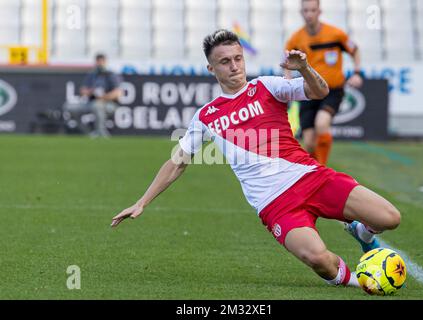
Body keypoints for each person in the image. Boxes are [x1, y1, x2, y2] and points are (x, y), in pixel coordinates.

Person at [111, 29, 401, 288]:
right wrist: (141, 202)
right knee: (318, 259)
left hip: (311, 177)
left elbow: (319, 91)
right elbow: (177, 161)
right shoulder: (206, 116)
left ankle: (362, 232)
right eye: (225, 61)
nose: (235, 66)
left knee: (391, 218)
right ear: (211, 68)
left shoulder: (267, 87)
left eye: (238, 58)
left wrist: (305, 68)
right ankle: (360, 283)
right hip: (275, 204)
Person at [284, 0, 363, 165]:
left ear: (319, 11)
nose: (309, 14)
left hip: (332, 90)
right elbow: (286, 61)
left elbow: (355, 50)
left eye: (313, 10)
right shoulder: (296, 39)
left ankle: (322, 169)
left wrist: (356, 73)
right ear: (301, 12)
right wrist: (288, 79)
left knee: (322, 123)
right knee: (309, 143)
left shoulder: (336, 34)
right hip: (308, 91)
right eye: (306, 11)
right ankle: (315, 173)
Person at [65, 53, 122, 137]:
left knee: (97, 106)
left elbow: (118, 93)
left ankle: (101, 134)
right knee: (69, 107)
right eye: (98, 61)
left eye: (102, 61)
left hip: (109, 104)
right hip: (91, 102)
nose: (100, 63)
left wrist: (103, 97)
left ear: (105, 62)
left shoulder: (111, 75)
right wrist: (92, 92)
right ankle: (89, 133)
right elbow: (82, 90)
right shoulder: (92, 75)